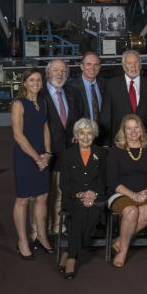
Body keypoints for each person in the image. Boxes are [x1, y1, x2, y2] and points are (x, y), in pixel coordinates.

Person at [106, 114, 147, 268]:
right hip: (120, 193)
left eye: (136, 128)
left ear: (142, 130)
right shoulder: (115, 151)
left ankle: (119, 241)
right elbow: (113, 182)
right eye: (129, 128)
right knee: (131, 212)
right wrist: (133, 195)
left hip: (145, 192)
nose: (133, 132)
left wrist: (146, 192)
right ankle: (123, 251)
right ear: (124, 131)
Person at [12, 68, 53, 260]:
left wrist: (47, 153)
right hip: (25, 156)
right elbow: (18, 135)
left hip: (41, 156)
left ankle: (41, 236)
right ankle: (22, 240)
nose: (36, 83)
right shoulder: (18, 104)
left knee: (42, 197)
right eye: (31, 80)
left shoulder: (43, 103)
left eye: (38, 80)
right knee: (23, 199)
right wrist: (37, 158)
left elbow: (45, 129)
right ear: (24, 83)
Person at [58, 118, 106, 279]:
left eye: (89, 133)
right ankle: (72, 257)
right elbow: (64, 184)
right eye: (82, 133)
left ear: (94, 135)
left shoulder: (100, 153)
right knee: (80, 210)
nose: (86, 137)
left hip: (95, 196)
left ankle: (69, 252)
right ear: (76, 136)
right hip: (73, 197)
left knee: (92, 211)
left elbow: (103, 179)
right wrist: (81, 194)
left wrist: (93, 193)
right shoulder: (67, 154)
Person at [41, 59, 83, 237]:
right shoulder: (39, 94)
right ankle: (39, 231)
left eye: (63, 71)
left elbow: (78, 119)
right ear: (48, 73)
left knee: (60, 191)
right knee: (42, 194)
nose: (60, 74)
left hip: (67, 152)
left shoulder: (72, 92)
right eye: (56, 70)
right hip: (44, 151)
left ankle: (58, 228)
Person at [101, 50, 147, 146]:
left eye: (136, 63)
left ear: (141, 64)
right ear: (123, 66)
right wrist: (105, 144)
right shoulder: (111, 86)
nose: (133, 67)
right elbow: (106, 117)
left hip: (146, 144)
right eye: (129, 63)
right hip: (119, 143)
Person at [65, 52, 105, 132]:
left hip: (103, 135)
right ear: (82, 66)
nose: (92, 68)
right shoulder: (70, 88)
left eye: (96, 65)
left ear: (99, 67)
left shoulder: (105, 85)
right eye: (89, 64)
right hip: (81, 136)